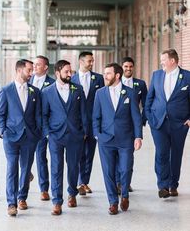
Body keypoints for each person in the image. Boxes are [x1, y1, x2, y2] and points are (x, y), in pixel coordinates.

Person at [93, 63, 142, 215]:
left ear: (117, 75)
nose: (105, 76)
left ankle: (125, 195)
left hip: (125, 139)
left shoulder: (131, 93)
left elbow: (136, 116)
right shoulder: (100, 93)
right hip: (105, 140)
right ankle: (113, 202)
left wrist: (138, 136)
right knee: (108, 172)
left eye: (108, 73)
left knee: (125, 169)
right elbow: (96, 117)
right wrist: (97, 134)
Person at [42, 60, 87, 216]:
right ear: (58, 73)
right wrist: (48, 132)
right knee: (56, 168)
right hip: (55, 136)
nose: (70, 74)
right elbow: (44, 115)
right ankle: (57, 202)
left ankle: (72, 194)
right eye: (67, 72)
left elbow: (83, 113)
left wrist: (84, 132)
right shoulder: (47, 92)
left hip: (75, 135)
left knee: (74, 167)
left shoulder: (78, 90)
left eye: (71, 71)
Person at [0, 59, 41, 216]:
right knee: (12, 168)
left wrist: (38, 132)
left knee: (26, 169)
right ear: (19, 70)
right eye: (29, 70)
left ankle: (22, 197)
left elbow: (38, 115)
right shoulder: (6, 90)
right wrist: (2, 130)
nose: (31, 73)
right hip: (11, 136)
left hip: (30, 136)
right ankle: (11, 203)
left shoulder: (35, 91)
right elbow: (1, 113)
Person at [145, 49, 190, 199]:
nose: (161, 62)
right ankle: (162, 185)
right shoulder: (157, 75)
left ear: (172, 61)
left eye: (163, 59)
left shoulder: (187, 77)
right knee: (162, 152)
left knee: (176, 154)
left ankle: (173, 185)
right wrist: (150, 118)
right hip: (158, 122)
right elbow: (149, 99)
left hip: (180, 123)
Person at [71, 51, 104, 195]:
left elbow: (103, 99)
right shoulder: (71, 79)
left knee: (89, 153)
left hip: (93, 122)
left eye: (92, 61)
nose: (92, 63)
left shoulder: (99, 79)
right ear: (81, 61)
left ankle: (84, 182)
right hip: (76, 124)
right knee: (77, 154)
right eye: (89, 61)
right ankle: (78, 181)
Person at [116, 56, 148, 193]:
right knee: (116, 155)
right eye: (126, 67)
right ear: (122, 68)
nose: (128, 69)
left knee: (128, 156)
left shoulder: (140, 84)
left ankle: (125, 182)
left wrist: (143, 120)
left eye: (130, 66)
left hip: (133, 126)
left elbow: (146, 104)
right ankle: (118, 183)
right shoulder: (115, 83)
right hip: (118, 125)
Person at [29, 55, 55, 201]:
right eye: (34, 64)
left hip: (43, 126)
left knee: (41, 157)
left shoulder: (52, 83)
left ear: (46, 67)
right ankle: (27, 173)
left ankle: (44, 189)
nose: (34, 67)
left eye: (38, 64)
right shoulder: (28, 80)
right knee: (23, 155)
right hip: (27, 126)